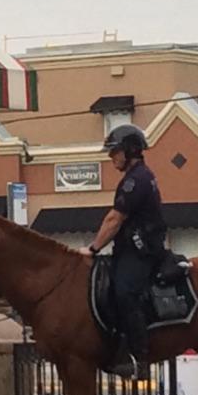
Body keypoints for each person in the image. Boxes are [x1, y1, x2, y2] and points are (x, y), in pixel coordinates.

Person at [79, 124, 166, 378]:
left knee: (124, 291)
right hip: (128, 250)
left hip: (141, 252)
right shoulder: (135, 177)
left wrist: (92, 248)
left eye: (115, 151)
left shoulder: (136, 180)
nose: (111, 157)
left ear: (130, 150)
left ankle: (140, 357)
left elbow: (114, 220)